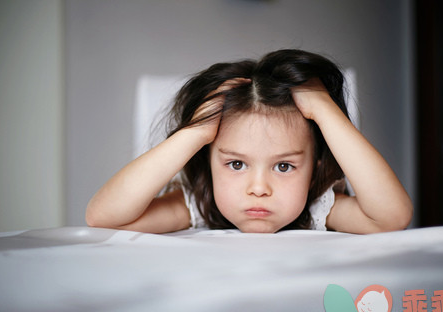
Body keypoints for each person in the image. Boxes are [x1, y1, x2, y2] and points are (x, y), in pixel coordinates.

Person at [86, 49, 413, 234]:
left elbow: (392, 217)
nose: (259, 188)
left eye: (284, 166)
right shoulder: (200, 205)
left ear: (314, 166)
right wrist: (195, 133)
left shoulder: (316, 209)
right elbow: (104, 218)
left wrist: (325, 112)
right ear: (208, 161)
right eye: (236, 164)